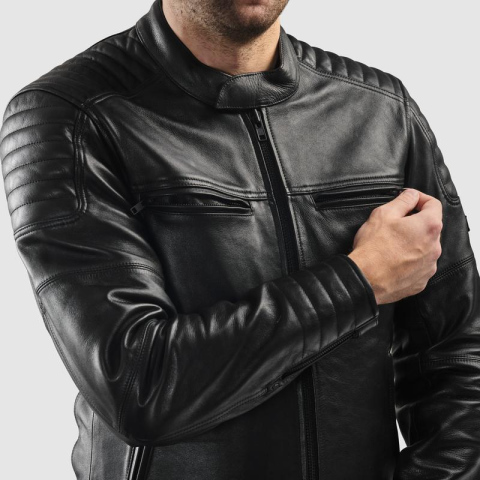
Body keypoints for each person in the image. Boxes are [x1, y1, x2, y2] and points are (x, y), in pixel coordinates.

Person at [0, 0, 478, 478]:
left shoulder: (381, 110)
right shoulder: (68, 116)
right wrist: (360, 282)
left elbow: (458, 355)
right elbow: (138, 386)